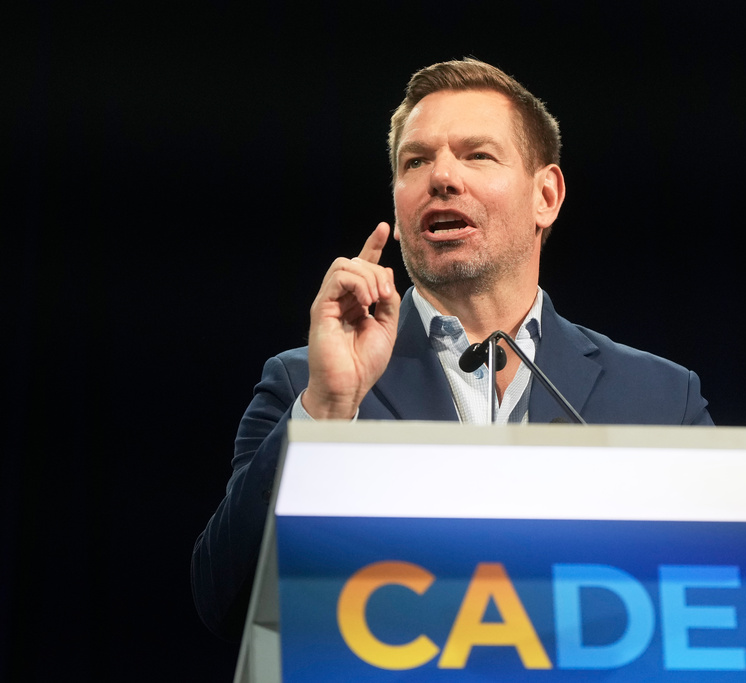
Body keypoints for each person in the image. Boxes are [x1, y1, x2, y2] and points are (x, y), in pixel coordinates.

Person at [191, 58, 713, 641]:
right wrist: (328, 410)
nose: (441, 177)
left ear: (546, 195)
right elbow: (226, 601)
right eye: (415, 161)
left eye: (476, 154)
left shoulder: (662, 400)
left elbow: (720, 598)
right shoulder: (304, 388)